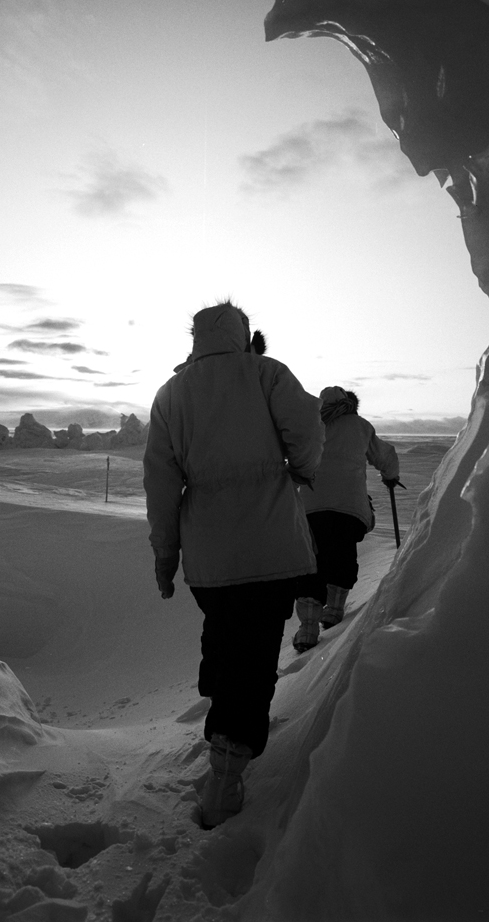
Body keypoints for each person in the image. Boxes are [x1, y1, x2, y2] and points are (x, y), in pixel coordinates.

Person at [143, 302, 324, 828]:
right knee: (256, 652)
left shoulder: (171, 395)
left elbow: (160, 485)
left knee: (225, 633)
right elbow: (307, 428)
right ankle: (227, 769)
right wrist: (302, 470)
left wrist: (165, 553)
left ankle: (221, 707)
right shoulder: (268, 374)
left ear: (196, 338)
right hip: (270, 549)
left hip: (210, 560)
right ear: (243, 334)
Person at [293, 386, 402, 652]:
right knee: (342, 553)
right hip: (349, 508)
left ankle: (307, 629)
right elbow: (384, 455)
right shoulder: (360, 426)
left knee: (312, 563)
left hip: (310, 508)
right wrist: (391, 477)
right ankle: (334, 611)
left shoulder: (310, 425)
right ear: (349, 404)